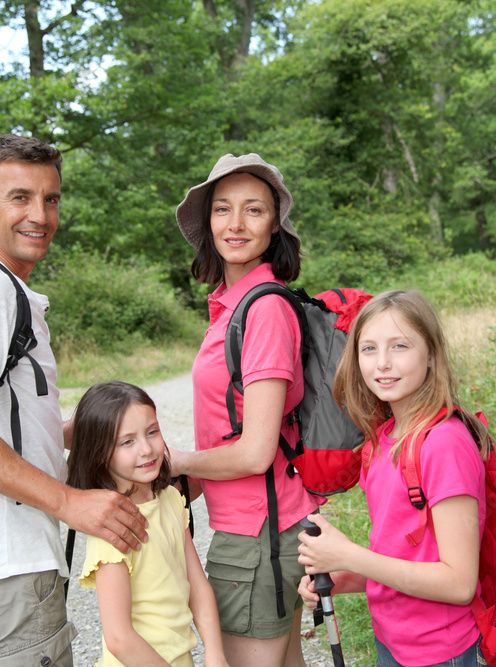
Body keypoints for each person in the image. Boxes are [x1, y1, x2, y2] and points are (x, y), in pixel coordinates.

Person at [0, 134, 148, 667]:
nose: (39, 214)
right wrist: (69, 503)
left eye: (51, 198)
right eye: (19, 197)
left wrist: (83, 430)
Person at [169, 153, 322, 667]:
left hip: (259, 534)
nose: (235, 224)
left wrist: (177, 462)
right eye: (222, 209)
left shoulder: (265, 308)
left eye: (253, 210)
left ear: (274, 222)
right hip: (270, 526)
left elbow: (255, 452)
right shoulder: (230, 303)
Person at [296, 290, 496, 667]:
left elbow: (458, 584)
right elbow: (403, 561)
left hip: (441, 652)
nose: (383, 363)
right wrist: (343, 576)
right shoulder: (383, 439)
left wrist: (350, 555)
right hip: (392, 641)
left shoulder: (444, 444)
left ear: (431, 355)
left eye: (400, 346)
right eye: (368, 349)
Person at [68, 382, 229, 667]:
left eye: (152, 432)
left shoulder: (170, 498)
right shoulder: (111, 525)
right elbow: (119, 637)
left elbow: (197, 586)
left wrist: (216, 655)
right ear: (99, 452)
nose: (146, 449)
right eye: (127, 441)